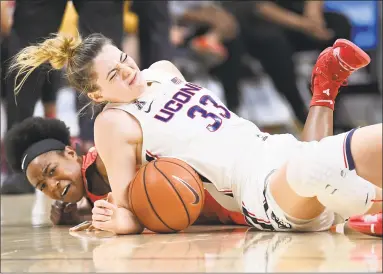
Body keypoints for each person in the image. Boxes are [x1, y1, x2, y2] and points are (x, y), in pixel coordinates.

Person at [7, 33, 382, 236]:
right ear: (97, 95)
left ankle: (357, 202)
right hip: (255, 189)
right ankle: (351, 190)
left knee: (333, 158)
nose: (127, 71)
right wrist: (113, 220)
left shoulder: (165, 69)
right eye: (113, 76)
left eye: (123, 59)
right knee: (314, 167)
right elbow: (129, 209)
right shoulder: (113, 122)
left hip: (276, 149)